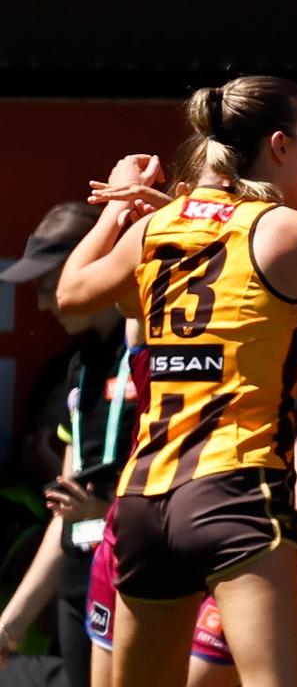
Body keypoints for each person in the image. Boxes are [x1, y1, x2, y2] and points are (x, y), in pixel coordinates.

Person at [55, 74, 297, 687]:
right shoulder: (288, 230)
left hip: (142, 500)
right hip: (236, 493)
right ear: (278, 146)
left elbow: (70, 291)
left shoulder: (154, 230)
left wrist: (120, 207)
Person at [0, 201, 134, 687]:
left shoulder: (148, 351)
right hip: (79, 588)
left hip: (138, 583)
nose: (40, 305)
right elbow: (68, 513)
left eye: (46, 286)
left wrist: (109, 509)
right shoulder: (77, 368)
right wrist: (9, 627)